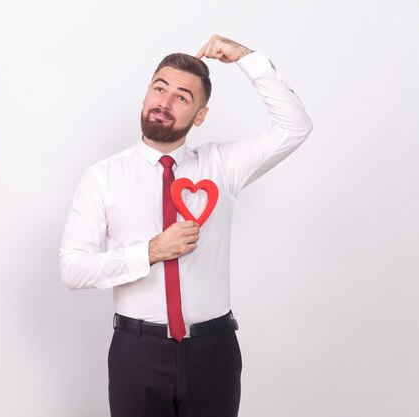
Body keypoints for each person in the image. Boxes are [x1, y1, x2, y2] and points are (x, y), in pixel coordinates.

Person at [59, 34, 313, 417]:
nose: (164, 102)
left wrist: (247, 58)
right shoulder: (102, 177)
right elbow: (72, 268)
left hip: (213, 351)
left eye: (181, 96)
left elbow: (295, 127)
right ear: (145, 96)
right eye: (159, 88)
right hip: (137, 352)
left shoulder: (223, 166)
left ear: (200, 116)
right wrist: (150, 252)